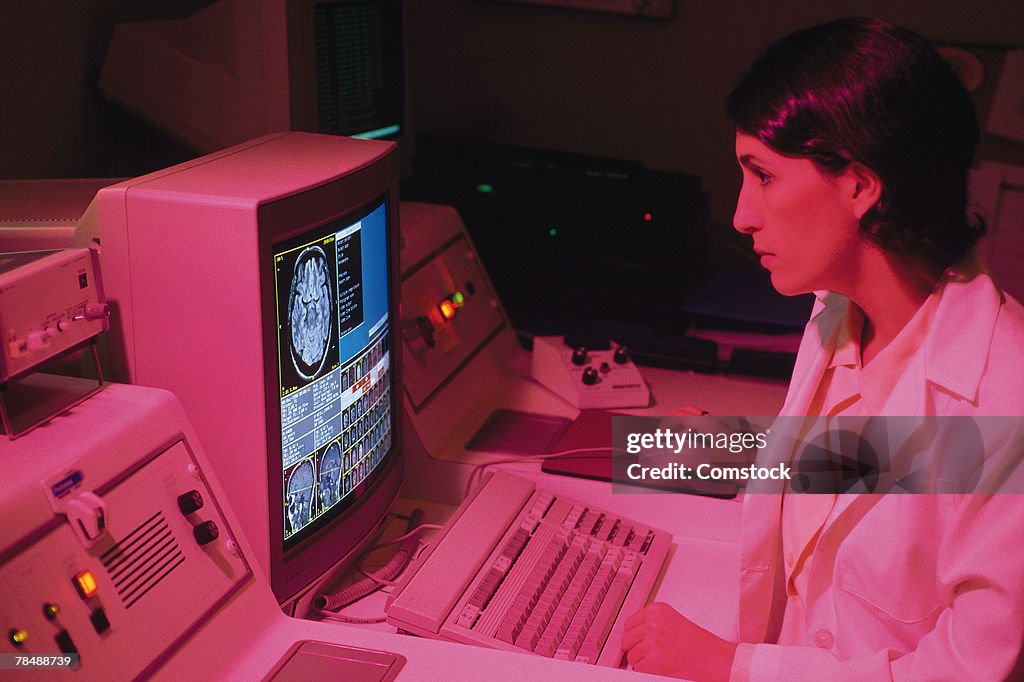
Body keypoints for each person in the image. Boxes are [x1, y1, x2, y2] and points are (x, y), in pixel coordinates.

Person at [622, 17, 1024, 680]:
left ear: (861, 186)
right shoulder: (843, 314)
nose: (741, 216)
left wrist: (731, 666)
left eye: (763, 175)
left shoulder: (1005, 393)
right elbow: (883, 461)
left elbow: (974, 668)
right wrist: (725, 451)